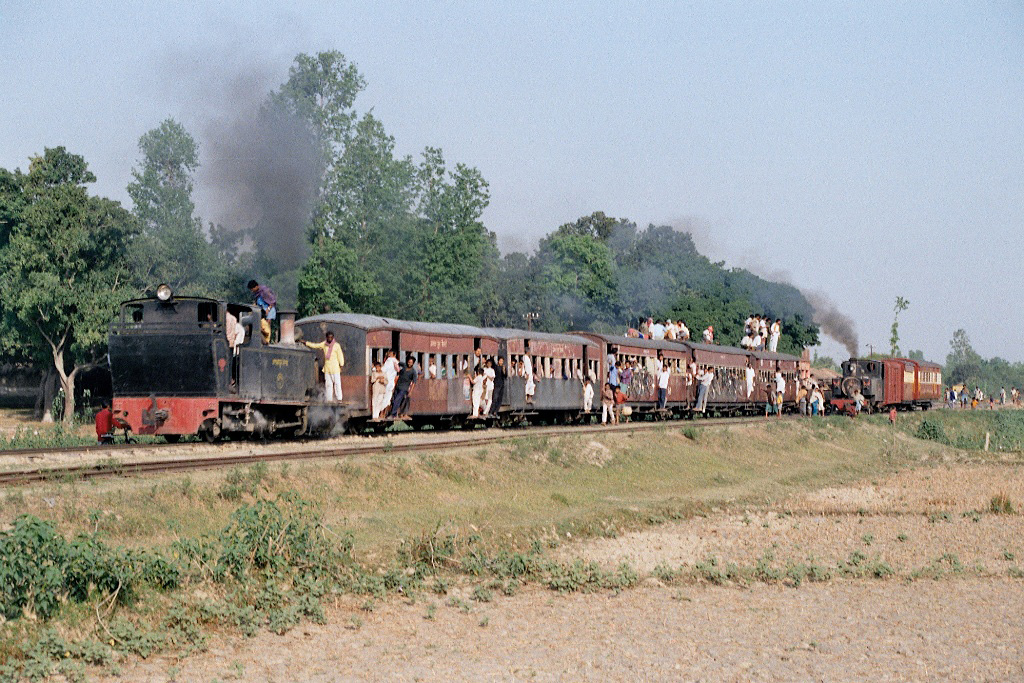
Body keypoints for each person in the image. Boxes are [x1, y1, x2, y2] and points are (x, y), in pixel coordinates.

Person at [303, 330, 345, 402]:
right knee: (328, 385)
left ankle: (339, 399)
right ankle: (329, 399)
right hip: (327, 368)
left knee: (337, 384)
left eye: (331, 338)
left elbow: (340, 356)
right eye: (328, 337)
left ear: (333, 338)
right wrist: (306, 343)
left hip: (335, 368)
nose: (330, 339)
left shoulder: (337, 346)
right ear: (326, 338)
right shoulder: (324, 344)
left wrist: (341, 365)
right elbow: (315, 345)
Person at [382, 350, 400, 416]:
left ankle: (382, 413)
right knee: (388, 398)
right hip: (392, 383)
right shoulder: (397, 362)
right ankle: (386, 412)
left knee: (384, 398)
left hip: (386, 382)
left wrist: (374, 369)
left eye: (389, 353)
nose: (388, 355)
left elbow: (383, 369)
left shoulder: (389, 361)